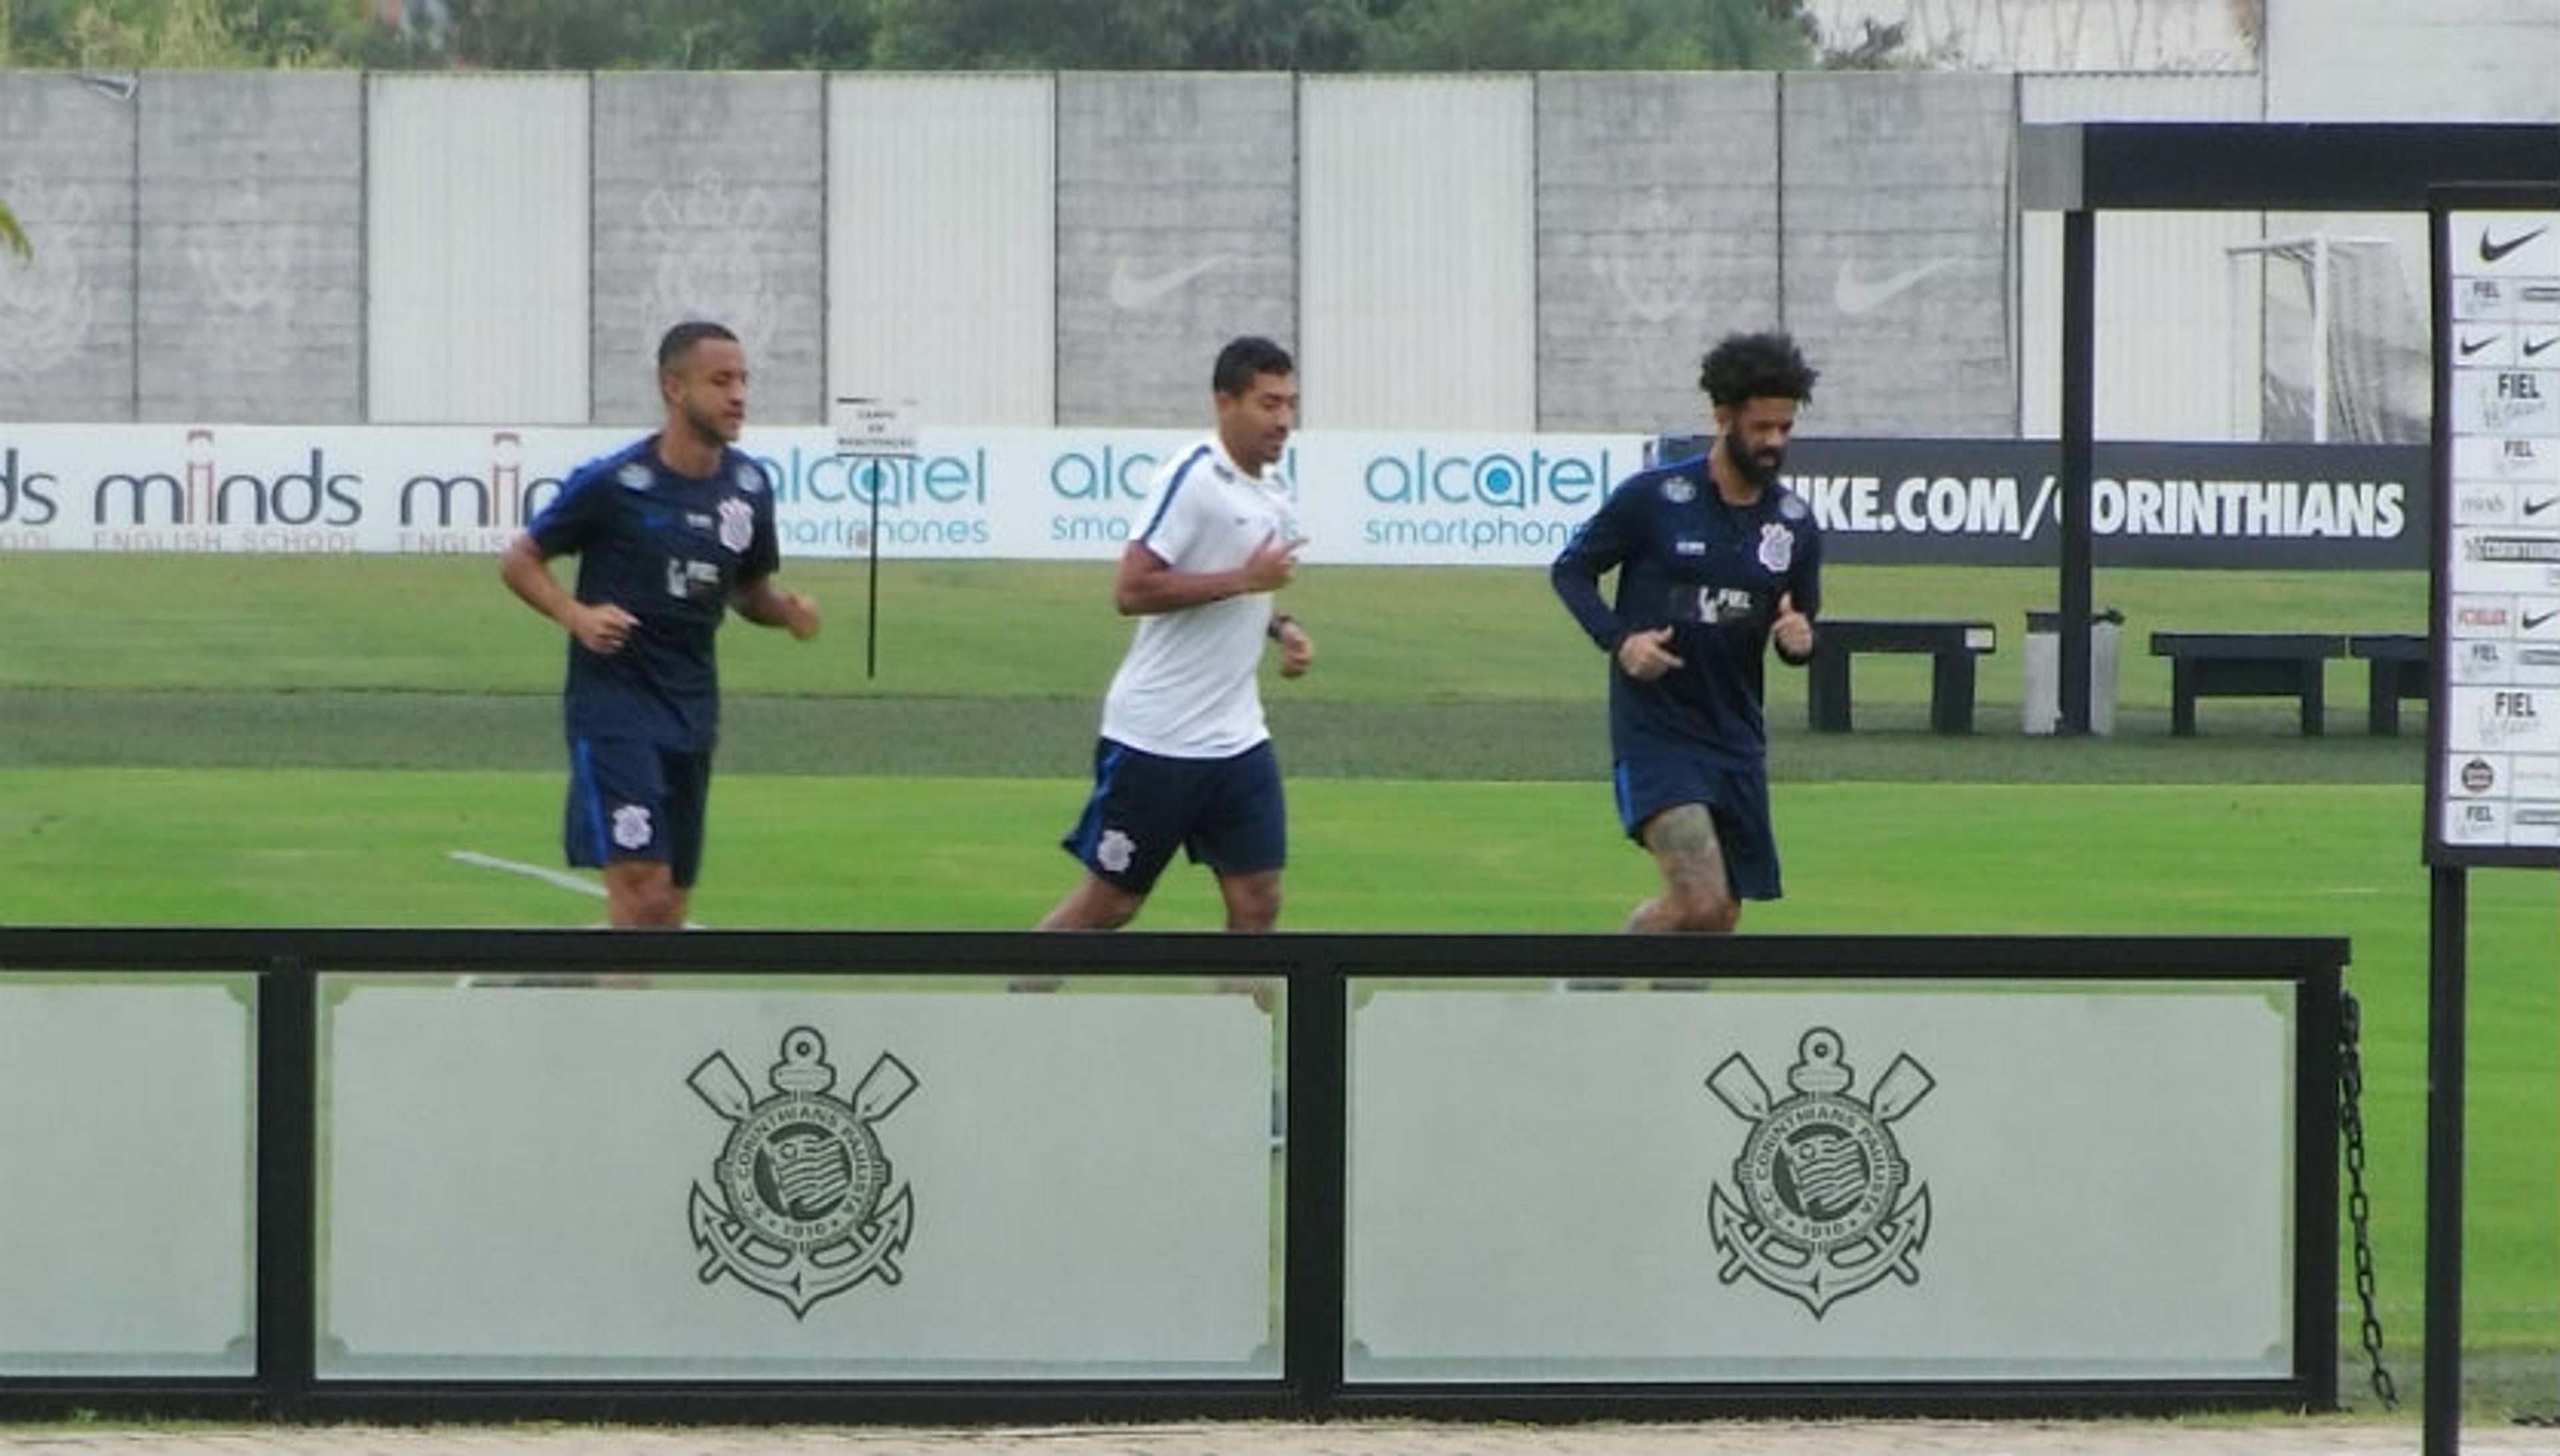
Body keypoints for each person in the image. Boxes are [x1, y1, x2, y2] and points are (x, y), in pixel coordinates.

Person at [499, 321, 819, 929]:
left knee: (666, 912)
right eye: (720, 380)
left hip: (692, 707)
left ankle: (546, 985)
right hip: (615, 706)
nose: (738, 395)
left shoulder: (748, 487)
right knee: (643, 893)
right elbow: (520, 561)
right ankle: (618, 1024)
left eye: (743, 380)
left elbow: (746, 593)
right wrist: (576, 615)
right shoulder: (616, 484)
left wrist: (787, 613)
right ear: (673, 389)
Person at [1039, 335, 1315, 933]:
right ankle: (1013, 1000)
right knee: (1111, 905)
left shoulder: (1272, 486)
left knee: (1258, 900)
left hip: (1237, 738)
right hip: (1157, 737)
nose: (1284, 420)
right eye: (1269, 404)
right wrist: (1246, 579)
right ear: (1225, 403)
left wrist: (1282, 625)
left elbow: (1250, 582)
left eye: (1290, 404)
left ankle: (1236, 1026)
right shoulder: (1192, 478)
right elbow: (1132, 590)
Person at [1551, 329, 1821, 933]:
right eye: (1761, 427)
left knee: (1719, 916)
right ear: (1723, 416)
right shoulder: (1654, 499)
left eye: (1785, 428)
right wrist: (1622, 641)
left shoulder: (1795, 523)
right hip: (1659, 734)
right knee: (1699, 899)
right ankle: (1583, 987)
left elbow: (1797, 623)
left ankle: (1668, 1025)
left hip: (1736, 738)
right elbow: (1571, 571)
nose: (1775, 442)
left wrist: (1800, 641)